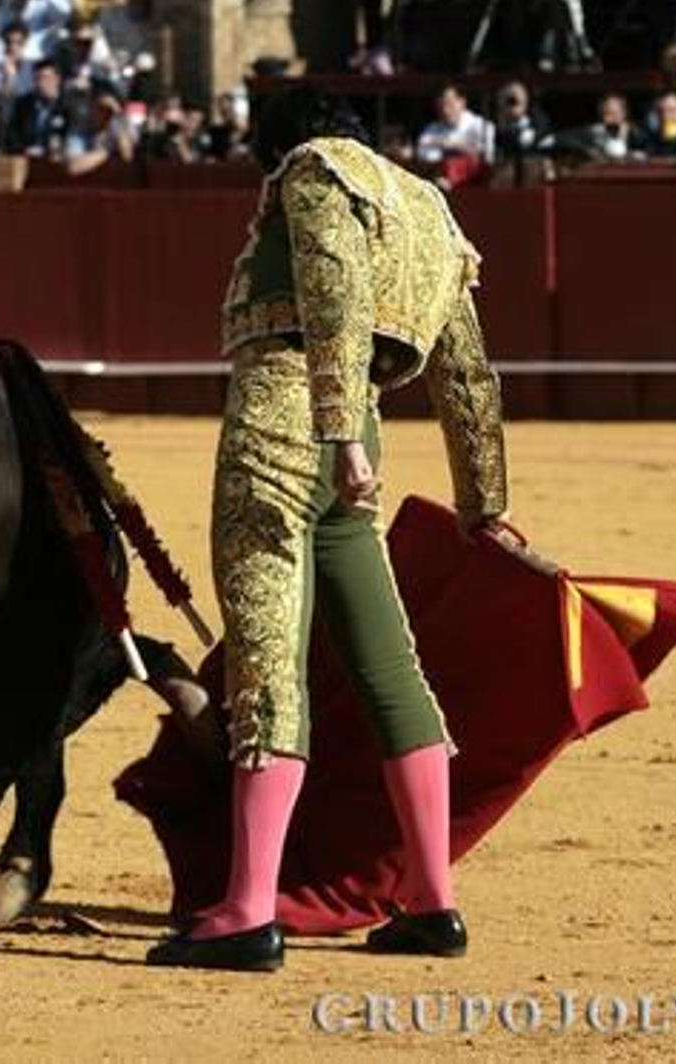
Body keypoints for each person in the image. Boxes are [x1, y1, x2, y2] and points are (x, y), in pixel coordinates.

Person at [146, 87, 509, 973]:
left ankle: (245, 911)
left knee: (269, 660)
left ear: (277, 148)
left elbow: (332, 294)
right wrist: (482, 503)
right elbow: (466, 370)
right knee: (391, 668)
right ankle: (431, 901)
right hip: (359, 452)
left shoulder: (311, 172)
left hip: (286, 428)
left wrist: (337, 429)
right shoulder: (427, 207)